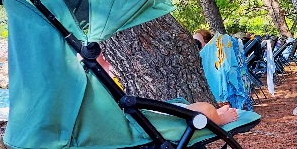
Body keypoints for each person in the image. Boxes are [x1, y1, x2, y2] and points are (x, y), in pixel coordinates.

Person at [96, 52, 238, 125]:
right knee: (205, 109)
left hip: (149, 115)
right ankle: (219, 120)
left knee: (195, 109)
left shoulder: (101, 85)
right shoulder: (100, 90)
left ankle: (215, 115)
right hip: (153, 121)